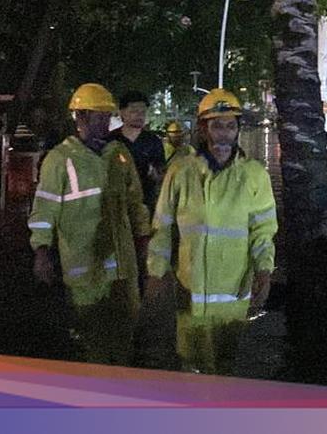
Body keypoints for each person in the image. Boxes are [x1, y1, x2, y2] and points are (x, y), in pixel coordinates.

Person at [146, 88, 277, 375]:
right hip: (189, 293)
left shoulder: (254, 175)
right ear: (203, 129)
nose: (224, 134)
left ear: (238, 130)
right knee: (191, 369)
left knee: (226, 369)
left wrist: (264, 271)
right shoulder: (180, 172)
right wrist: (156, 273)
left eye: (231, 126)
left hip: (233, 297)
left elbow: (262, 232)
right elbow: (162, 227)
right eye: (217, 125)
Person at [27, 83, 152, 366]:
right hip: (86, 272)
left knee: (125, 340)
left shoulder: (119, 155)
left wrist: (144, 241)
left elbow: (135, 204)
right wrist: (42, 253)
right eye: (98, 116)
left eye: (107, 116)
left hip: (123, 268)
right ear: (80, 117)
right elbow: (44, 211)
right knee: (93, 342)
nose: (105, 123)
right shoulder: (59, 160)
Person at [110, 91, 166, 220]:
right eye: (134, 111)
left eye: (143, 112)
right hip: (117, 206)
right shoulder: (111, 141)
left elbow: (161, 173)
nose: (140, 115)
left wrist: (155, 174)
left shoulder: (153, 142)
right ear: (122, 112)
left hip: (146, 206)